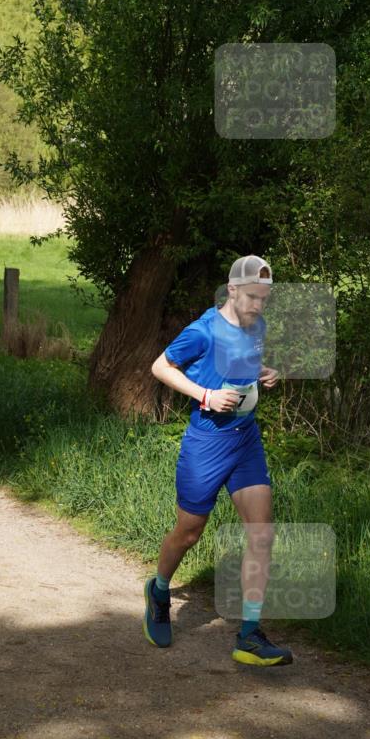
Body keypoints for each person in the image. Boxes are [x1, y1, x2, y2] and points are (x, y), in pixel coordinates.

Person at [144, 254, 292, 667]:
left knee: (261, 533)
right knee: (189, 532)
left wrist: (264, 372)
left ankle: (250, 635)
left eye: (264, 299)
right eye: (252, 297)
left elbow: (241, 366)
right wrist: (205, 395)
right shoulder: (202, 331)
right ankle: (159, 590)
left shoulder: (256, 326)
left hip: (246, 440)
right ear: (231, 290)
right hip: (207, 443)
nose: (258, 306)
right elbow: (160, 367)